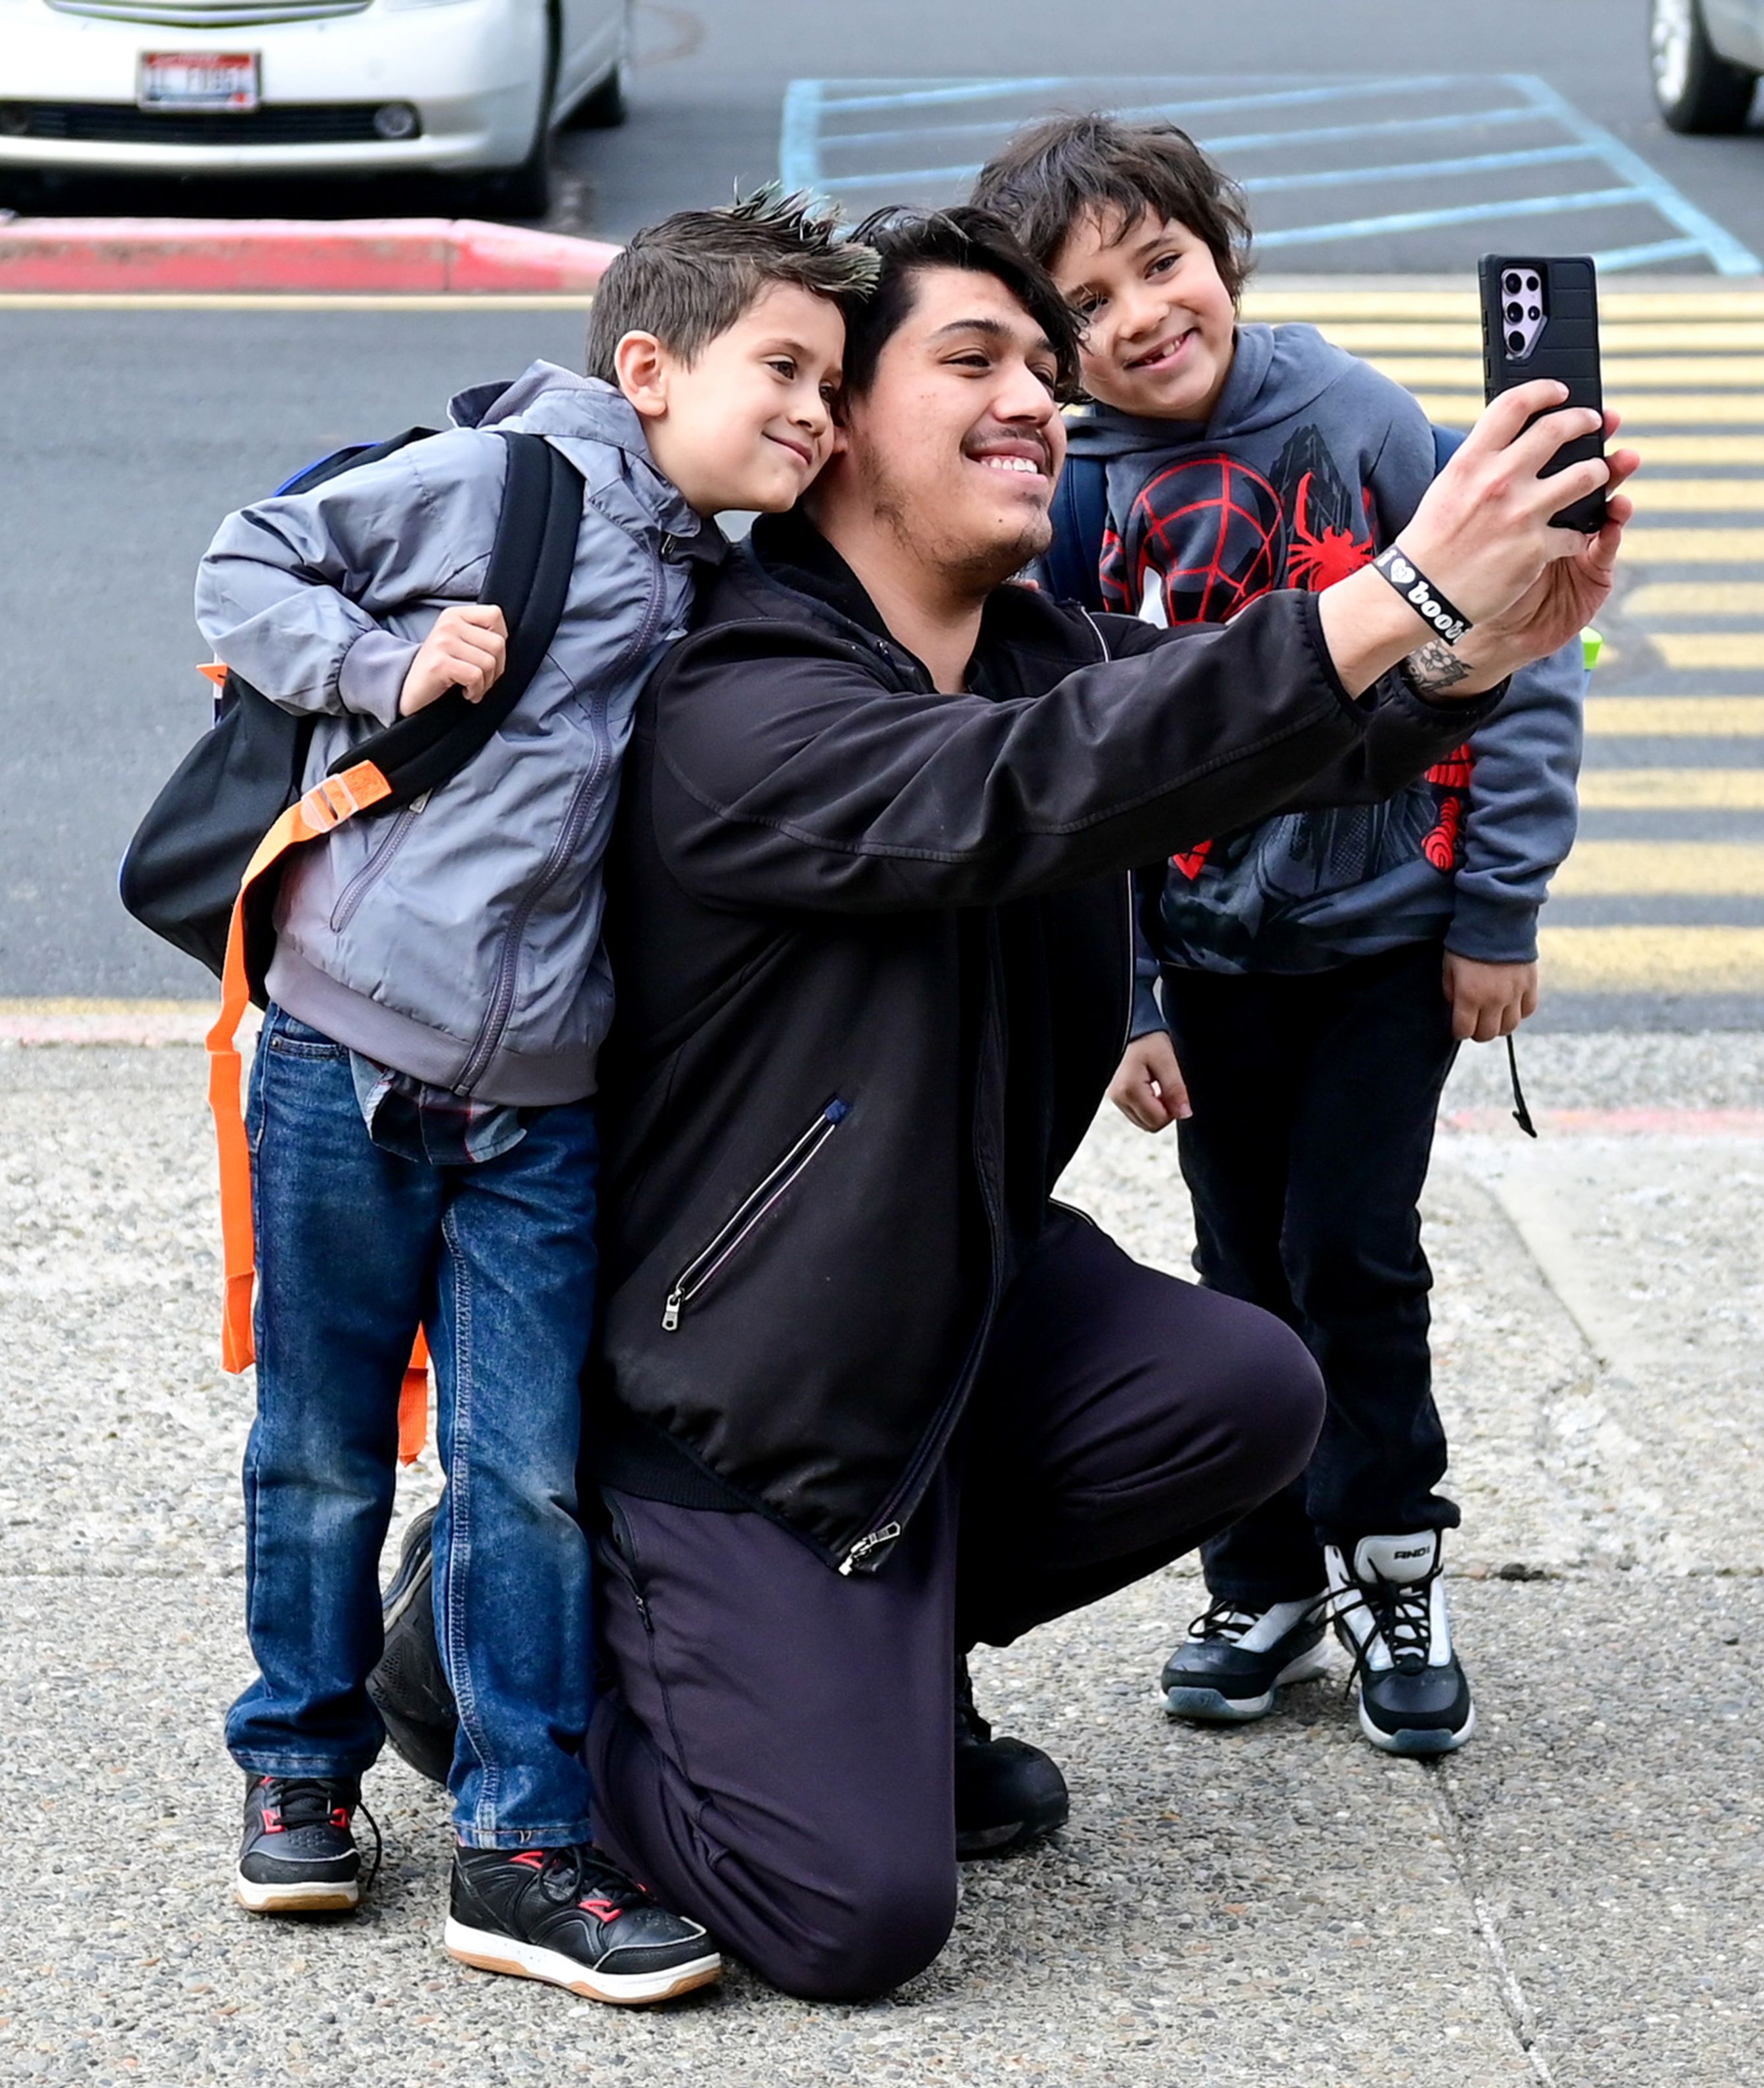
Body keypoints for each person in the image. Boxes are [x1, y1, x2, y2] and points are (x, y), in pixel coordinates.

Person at [378, 202, 1631, 2001]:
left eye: (1046, 373)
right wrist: (1403, 590)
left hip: (935, 1299)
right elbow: (1027, 789)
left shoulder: (1032, 647)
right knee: (853, 1915)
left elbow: (1225, 721)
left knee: (1242, 1387)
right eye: (974, 361)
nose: (1038, 399)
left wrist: (1476, 650)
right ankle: (501, 1655)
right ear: (832, 431)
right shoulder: (739, 698)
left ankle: (857, 1662)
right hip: (723, 1392)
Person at [192, 190, 875, 2005]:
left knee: (525, 1473)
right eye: (784, 369)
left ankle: (519, 1839)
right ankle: (300, 1763)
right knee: (323, 1444)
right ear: (649, 367)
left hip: (545, 1105)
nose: (814, 412)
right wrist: (383, 665)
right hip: (349, 1050)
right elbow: (245, 561)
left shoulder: (729, 581)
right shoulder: (503, 485)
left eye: (832, 382)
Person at [973, 115, 1586, 1757]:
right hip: (1204, 965)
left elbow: (1521, 650)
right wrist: (1133, 998)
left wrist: (1497, 907)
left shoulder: (1361, 418)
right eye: (1088, 303)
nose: (1144, 314)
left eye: (1162, 262)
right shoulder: (1071, 494)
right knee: (1236, 1277)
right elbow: (1074, 772)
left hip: (1389, 942)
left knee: (1351, 1253)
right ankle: (1262, 1580)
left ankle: (1395, 1556)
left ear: (1218, 253)